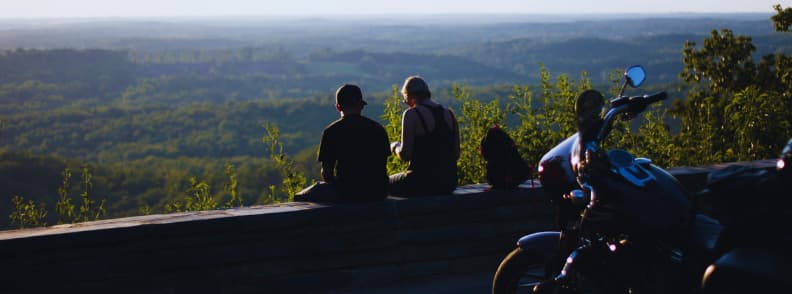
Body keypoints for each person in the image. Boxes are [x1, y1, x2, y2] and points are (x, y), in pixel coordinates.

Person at [294, 84, 390, 203]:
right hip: (378, 192)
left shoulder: (331, 131)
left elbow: (327, 172)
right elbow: (382, 165)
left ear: (338, 107)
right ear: (361, 106)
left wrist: (337, 187)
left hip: (347, 193)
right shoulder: (378, 129)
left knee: (300, 197)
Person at [389, 76, 460, 197]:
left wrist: (395, 146)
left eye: (405, 100)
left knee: (384, 184)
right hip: (448, 182)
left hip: (420, 182)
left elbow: (406, 154)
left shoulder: (412, 114)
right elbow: (456, 154)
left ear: (409, 96)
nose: (406, 104)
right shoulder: (449, 114)